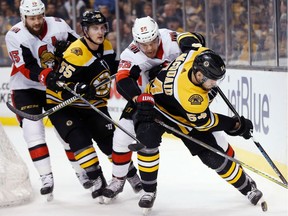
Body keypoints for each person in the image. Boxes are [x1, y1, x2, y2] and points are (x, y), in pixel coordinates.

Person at [133, 47, 264, 213]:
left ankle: (247, 187)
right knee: (147, 140)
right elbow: (207, 123)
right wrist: (234, 125)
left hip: (183, 115)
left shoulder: (194, 55)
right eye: (212, 79)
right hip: (156, 111)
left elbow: (191, 41)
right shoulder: (191, 98)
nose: (215, 83)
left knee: (213, 157)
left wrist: (193, 40)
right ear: (200, 75)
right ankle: (149, 191)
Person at [102, 16, 206, 202]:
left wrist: (194, 42)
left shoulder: (170, 39)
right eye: (144, 45)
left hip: (174, 100)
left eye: (152, 42)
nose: (149, 48)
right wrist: (137, 98)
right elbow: (123, 79)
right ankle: (118, 180)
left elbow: (195, 42)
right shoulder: (130, 53)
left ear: (158, 35)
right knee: (120, 137)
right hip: (145, 99)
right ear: (136, 41)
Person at [42, 10, 139, 201]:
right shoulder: (75, 53)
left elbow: (110, 69)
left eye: (103, 27)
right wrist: (77, 86)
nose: (100, 32)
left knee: (109, 141)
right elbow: (60, 84)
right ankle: (96, 180)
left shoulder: (108, 46)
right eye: (95, 28)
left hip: (92, 103)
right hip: (63, 105)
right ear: (85, 31)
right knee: (79, 140)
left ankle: (131, 175)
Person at [5, 0, 90, 200]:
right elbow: (26, 67)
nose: (36, 21)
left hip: (55, 86)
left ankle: (82, 172)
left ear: (44, 14)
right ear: (23, 17)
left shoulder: (59, 25)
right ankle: (46, 177)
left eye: (38, 17)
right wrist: (46, 75)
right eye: (31, 18)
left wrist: (67, 51)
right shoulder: (14, 35)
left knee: (66, 132)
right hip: (26, 88)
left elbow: (81, 48)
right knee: (32, 131)